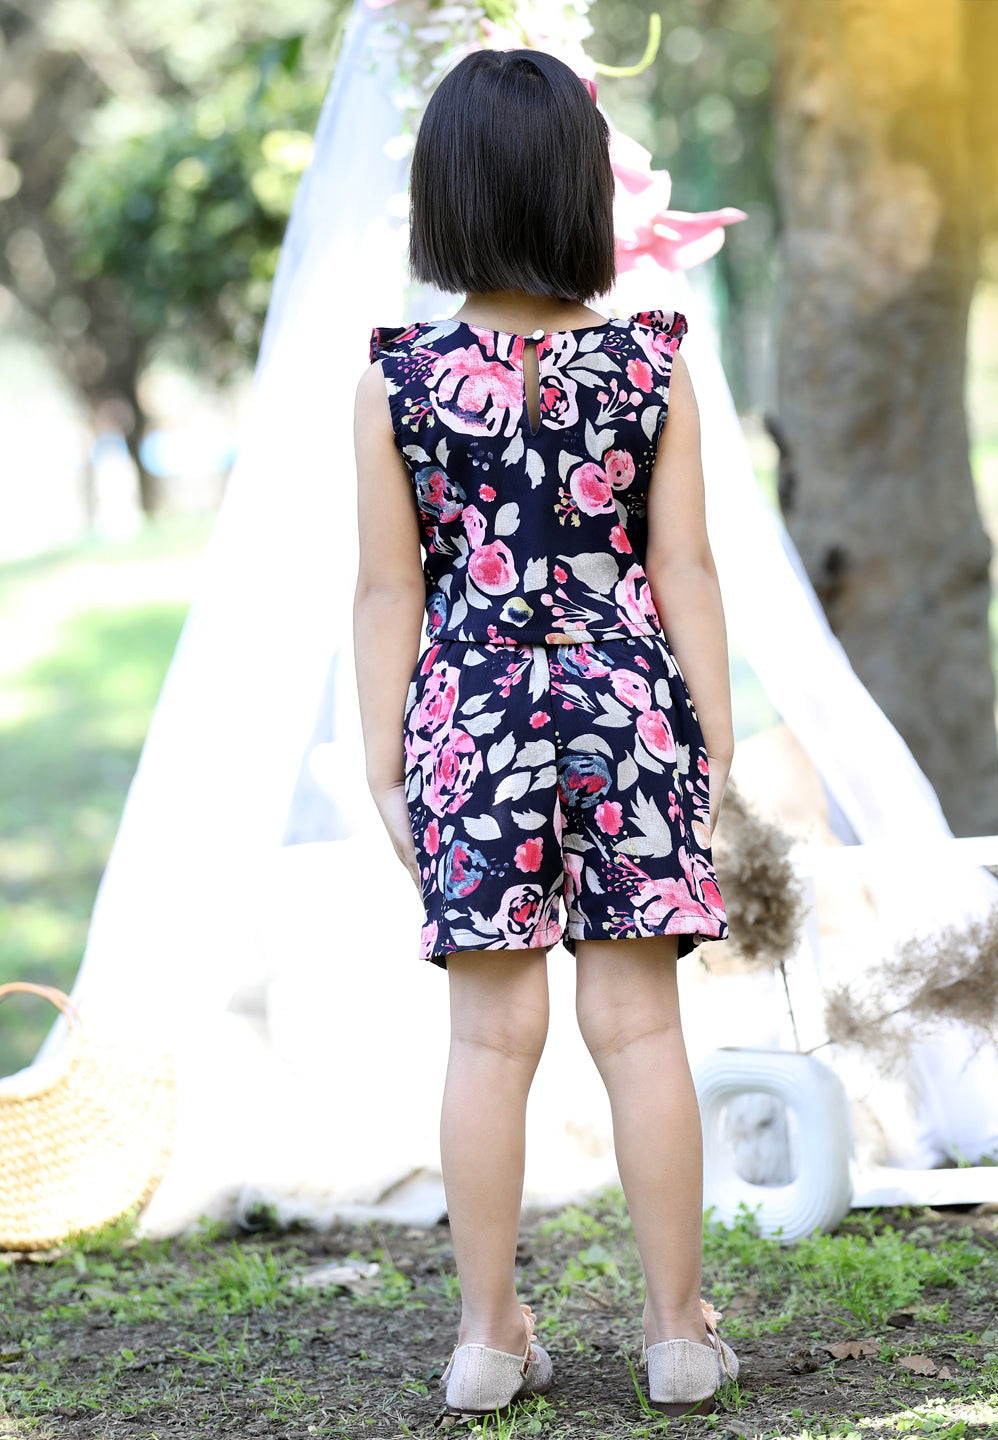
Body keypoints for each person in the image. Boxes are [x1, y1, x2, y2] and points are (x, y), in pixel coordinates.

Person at [352, 46, 738, 1420]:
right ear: (584, 192)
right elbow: (682, 568)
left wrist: (388, 761)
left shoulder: (400, 380)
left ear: (439, 197)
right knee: (640, 1030)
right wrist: (713, 728)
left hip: (473, 714)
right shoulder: (648, 364)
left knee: (485, 1044)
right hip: (627, 696)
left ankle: (484, 1339)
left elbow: (390, 586)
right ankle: (677, 1332)